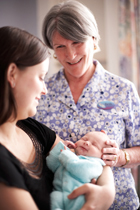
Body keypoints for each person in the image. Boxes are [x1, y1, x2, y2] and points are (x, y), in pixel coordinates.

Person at [34, 0, 140, 209]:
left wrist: (120, 157)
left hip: (118, 203)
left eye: (77, 42)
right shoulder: (41, 92)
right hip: (60, 203)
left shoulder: (123, 90)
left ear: (93, 39)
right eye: (60, 46)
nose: (70, 55)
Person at [0, 26, 115, 210]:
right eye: (40, 77)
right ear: (12, 74)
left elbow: (86, 159)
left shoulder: (31, 129)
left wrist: (108, 191)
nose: (45, 90)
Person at [47, 131, 110, 210]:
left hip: (79, 198)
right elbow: (51, 165)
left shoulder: (96, 164)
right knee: (53, 199)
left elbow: (78, 168)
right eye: (84, 139)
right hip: (59, 192)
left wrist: (66, 154)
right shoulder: (69, 155)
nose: (86, 143)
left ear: (102, 156)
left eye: (94, 145)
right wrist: (60, 148)